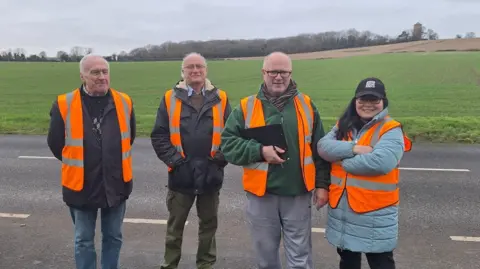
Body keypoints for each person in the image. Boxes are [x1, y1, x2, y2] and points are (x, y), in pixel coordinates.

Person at [220, 51, 331, 269]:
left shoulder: (306, 105)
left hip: (298, 193)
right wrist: (259, 151)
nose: (278, 77)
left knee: (300, 256)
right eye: (273, 72)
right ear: (264, 73)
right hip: (261, 195)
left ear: (290, 73)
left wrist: (322, 185)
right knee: (266, 257)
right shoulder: (246, 107)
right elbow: (228, 144)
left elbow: (320, 149)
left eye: (283, 72)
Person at [47, 54, 136, 269]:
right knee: (84, 241)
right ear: (83, 76)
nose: (101, 77)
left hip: (116, 182)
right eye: (95, 72)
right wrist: (82, 160)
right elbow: (56, 143)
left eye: (105, 71)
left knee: (113, 238)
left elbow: (129, 137)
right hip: (81, 185)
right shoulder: (64, 104)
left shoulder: (124, 102)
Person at [317, 77, 412, 269]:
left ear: (383, 102)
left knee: (381, 263)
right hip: (344, 212)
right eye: (362, 99)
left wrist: (341, 159)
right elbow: (323, 147)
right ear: (355, 101)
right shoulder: (344, 124)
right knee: (348, 262)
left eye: (374, 100)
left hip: (374, 213)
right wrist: (355, 148)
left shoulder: (391, 129)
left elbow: (380, 163)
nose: (367, 105)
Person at [150, 52, 232, 269]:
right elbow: (159, 135)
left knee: (209, 227)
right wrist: (176, 161)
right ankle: (170, 265)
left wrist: (219, 160)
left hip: (210, 175)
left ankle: (205, 265)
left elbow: (232, 135)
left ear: (206, 70)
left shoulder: (221, 98)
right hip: (180, 175)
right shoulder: (169, 98)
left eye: (199, 66)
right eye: (190, 67)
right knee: (174, 228)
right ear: (182, 72)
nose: (195, 70)